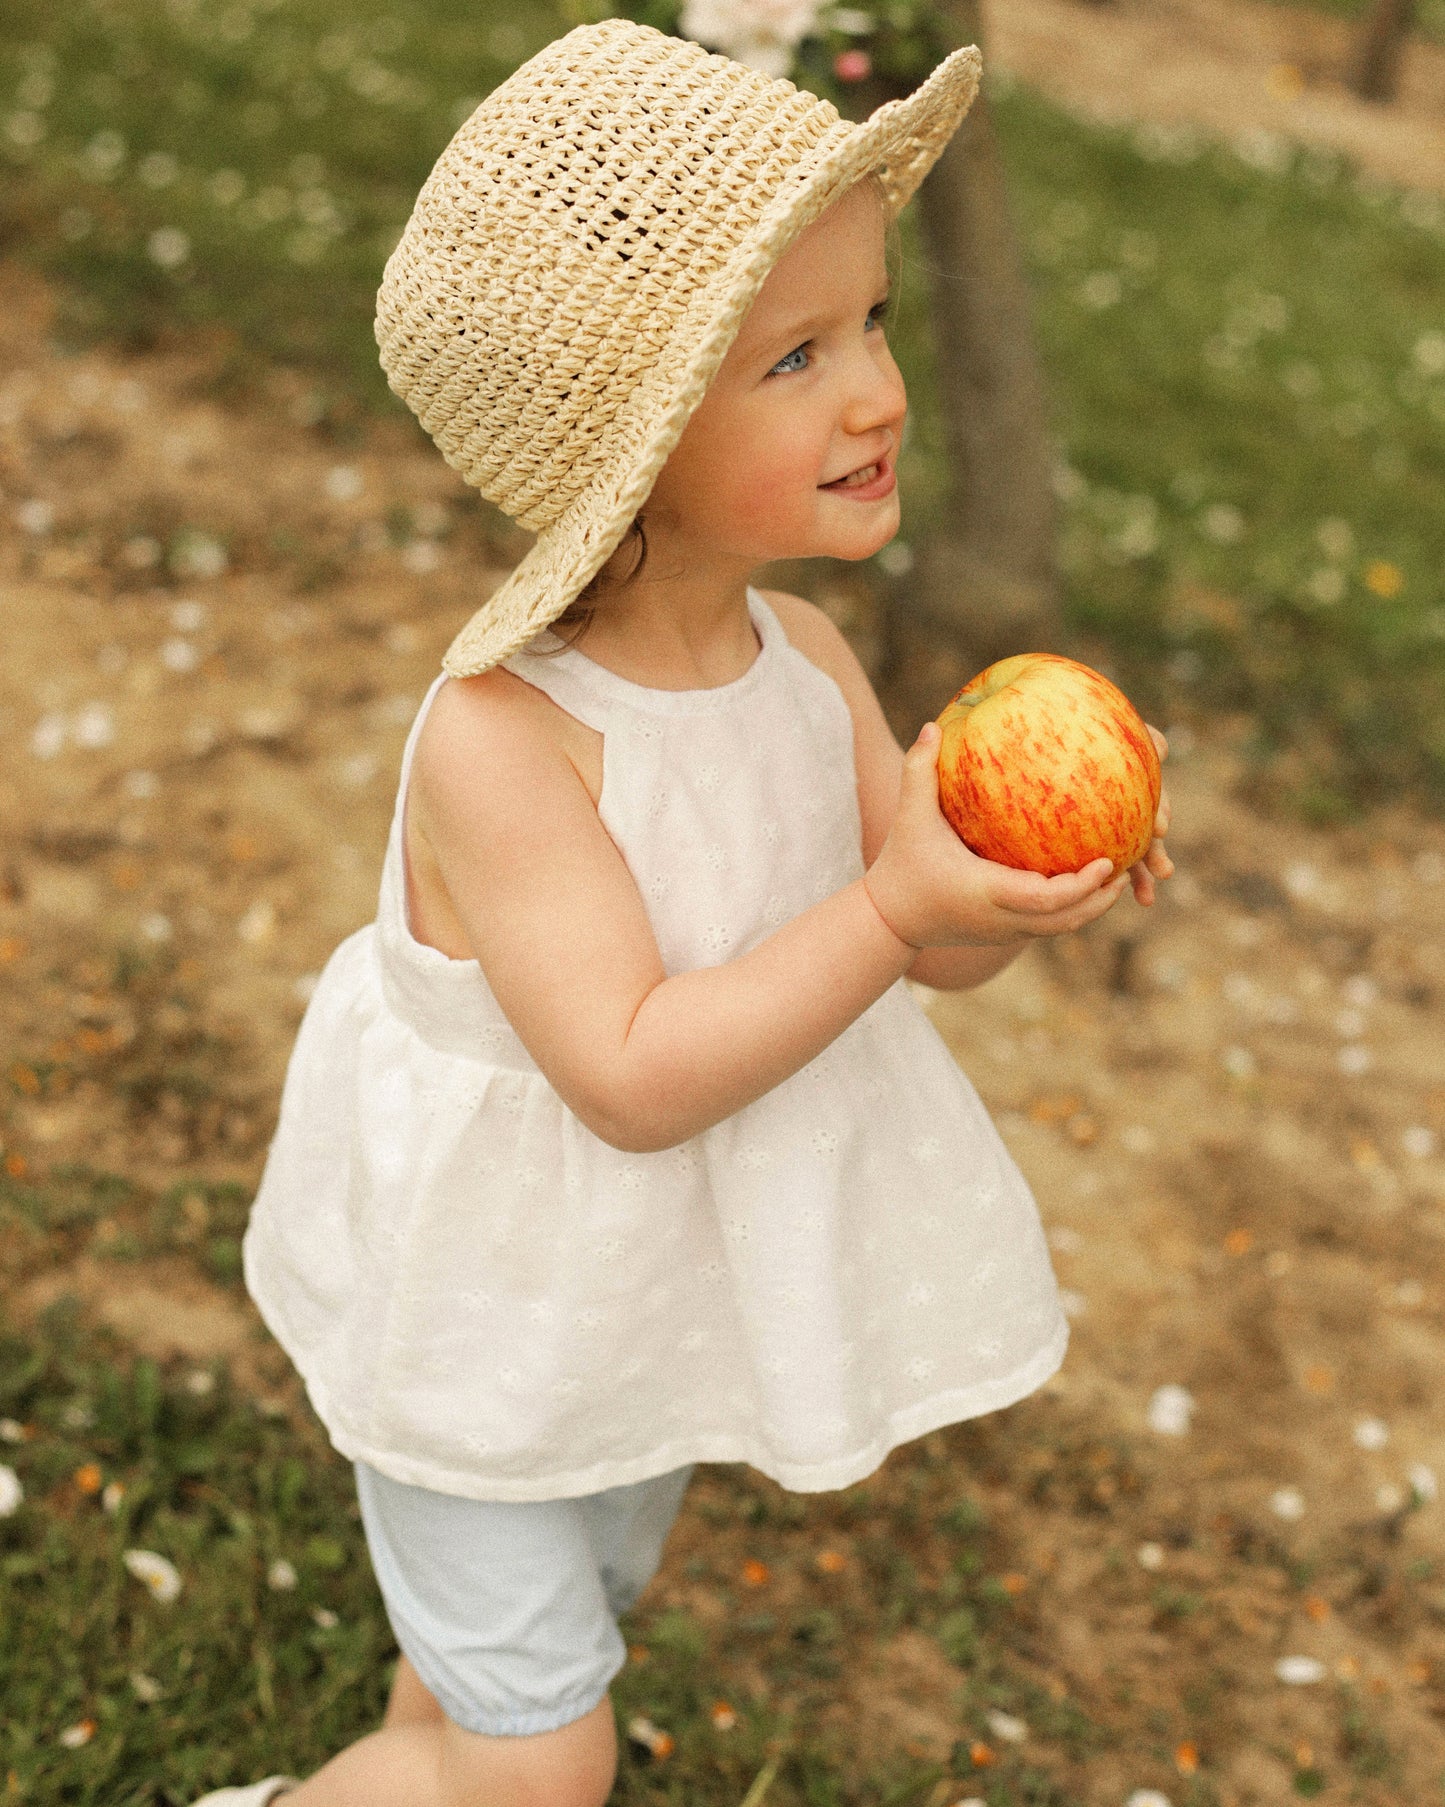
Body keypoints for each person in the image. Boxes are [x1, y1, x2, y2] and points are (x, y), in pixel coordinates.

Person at [199, 18, 1173, 1807]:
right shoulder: (511, 740)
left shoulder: (798, 660)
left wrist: (1007, 884)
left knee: (516, 1660)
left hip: (624, 1316)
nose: (876, 391)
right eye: (793, 357)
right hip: (483, 1313)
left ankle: (423, 1750)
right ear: (625, 447)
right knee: (542, 1763)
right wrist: (889, 905)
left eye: (871, 325)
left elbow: (924, 948)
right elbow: (634, 1072)